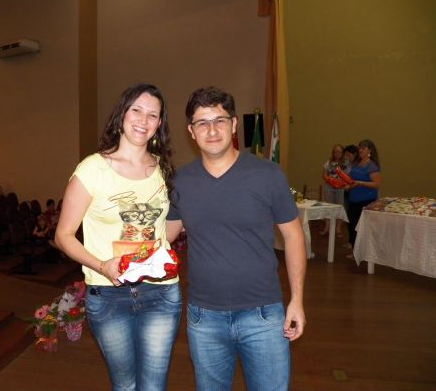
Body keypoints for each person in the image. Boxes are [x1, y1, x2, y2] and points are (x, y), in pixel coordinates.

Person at [166, 86, 306, 391]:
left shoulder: (268, 175)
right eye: (202, 123)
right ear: (191, 131)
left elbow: (294, 236)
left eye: (219, 120)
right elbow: (163, 237)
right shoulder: (180, 182)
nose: (211, 130)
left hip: (263, 314)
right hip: (204, 317)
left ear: (233, 124)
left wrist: (296, 300)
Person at [55, 83, 181, 391]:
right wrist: (102, 265)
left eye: (153, 114)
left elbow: (168, 227)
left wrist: (159, 250)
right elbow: (63, 236)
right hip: (109, 293)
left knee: (153, 387)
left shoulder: (163, 169)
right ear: (122, 113)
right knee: (125, 385)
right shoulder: (92, 169)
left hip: (160, 292)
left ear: (159, 124)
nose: (143, 120)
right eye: (136, 110)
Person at [345, 139, 381, 257]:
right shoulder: (357, 163)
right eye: (359, 148)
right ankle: (355, 251)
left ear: (369, 151)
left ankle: (364, 252)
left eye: (363, 148)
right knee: (351, 225)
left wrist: (360, 183)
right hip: (353, 199)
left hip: (366, 201)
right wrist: (347, 184)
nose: (360, 150)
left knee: (362, 227)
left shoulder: (372, 165)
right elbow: (351, 178)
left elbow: (376, 184)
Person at [320, 144, 348, 237]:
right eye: (335, 151)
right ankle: (327, 227)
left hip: (340, 188)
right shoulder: (329, 162)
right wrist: (329, 180)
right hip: (329, 187)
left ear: (343, 153)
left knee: (340, 207)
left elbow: (348, 176)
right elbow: (324, 174)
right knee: (329, 207)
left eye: (339, 152)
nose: (337, 153)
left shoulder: (346, 163)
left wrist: (340, 182)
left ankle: (338, 229)